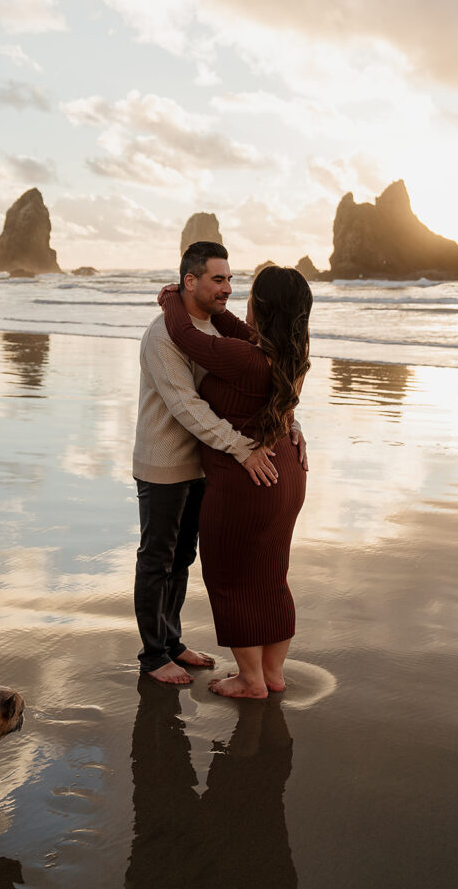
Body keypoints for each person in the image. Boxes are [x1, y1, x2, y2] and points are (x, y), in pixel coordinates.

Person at [132, 242, 307, 685]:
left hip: (210, 466)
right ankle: (154, 656)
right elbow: (186, 406)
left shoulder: (219, 335)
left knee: (183, 558)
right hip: (168, 462)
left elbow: (264, 388)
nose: (229, 288)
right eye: (218, 279)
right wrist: (243, 446)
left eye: (232, 279)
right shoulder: (162, 336)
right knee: (158, 559)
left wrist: (290, 422)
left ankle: (171, 642)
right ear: (190, 281)